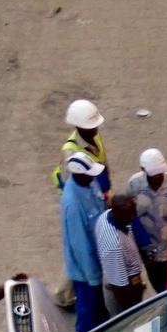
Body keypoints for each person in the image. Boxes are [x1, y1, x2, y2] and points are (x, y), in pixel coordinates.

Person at [53, 99, 110, 309]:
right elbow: (73, 184)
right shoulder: (71, 152)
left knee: (85, 248)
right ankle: (64, 295)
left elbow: (104, 163)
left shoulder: (94, 137)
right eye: (90, 127)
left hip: (96, 194)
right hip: (83, 206)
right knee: (78, 249)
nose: (95, 130)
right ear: (78, 127)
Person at [60, 152, 109, 332]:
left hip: (98, 257)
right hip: (85, 270)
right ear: (78, 174)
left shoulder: (89, 182)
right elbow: (80, 246)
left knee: (99, 310)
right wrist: (93, 277)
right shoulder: (72, 204)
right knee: (88, 311)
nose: (93, 176)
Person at [128, 149, 167, 293]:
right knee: (159, 288)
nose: (157, 177)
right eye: (153, 174)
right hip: (149, 249)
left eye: (160, 172)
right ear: (143, 169)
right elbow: (130, 214)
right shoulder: (134, 184)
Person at [93, 194, 147, 315]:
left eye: (134, 212)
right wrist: (129, 314)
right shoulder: (114, 245)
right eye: (129, 214)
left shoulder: (107, 215)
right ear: (116, 213)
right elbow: (119, 288)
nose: (133, 217)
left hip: (130, 280)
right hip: (124, 291)